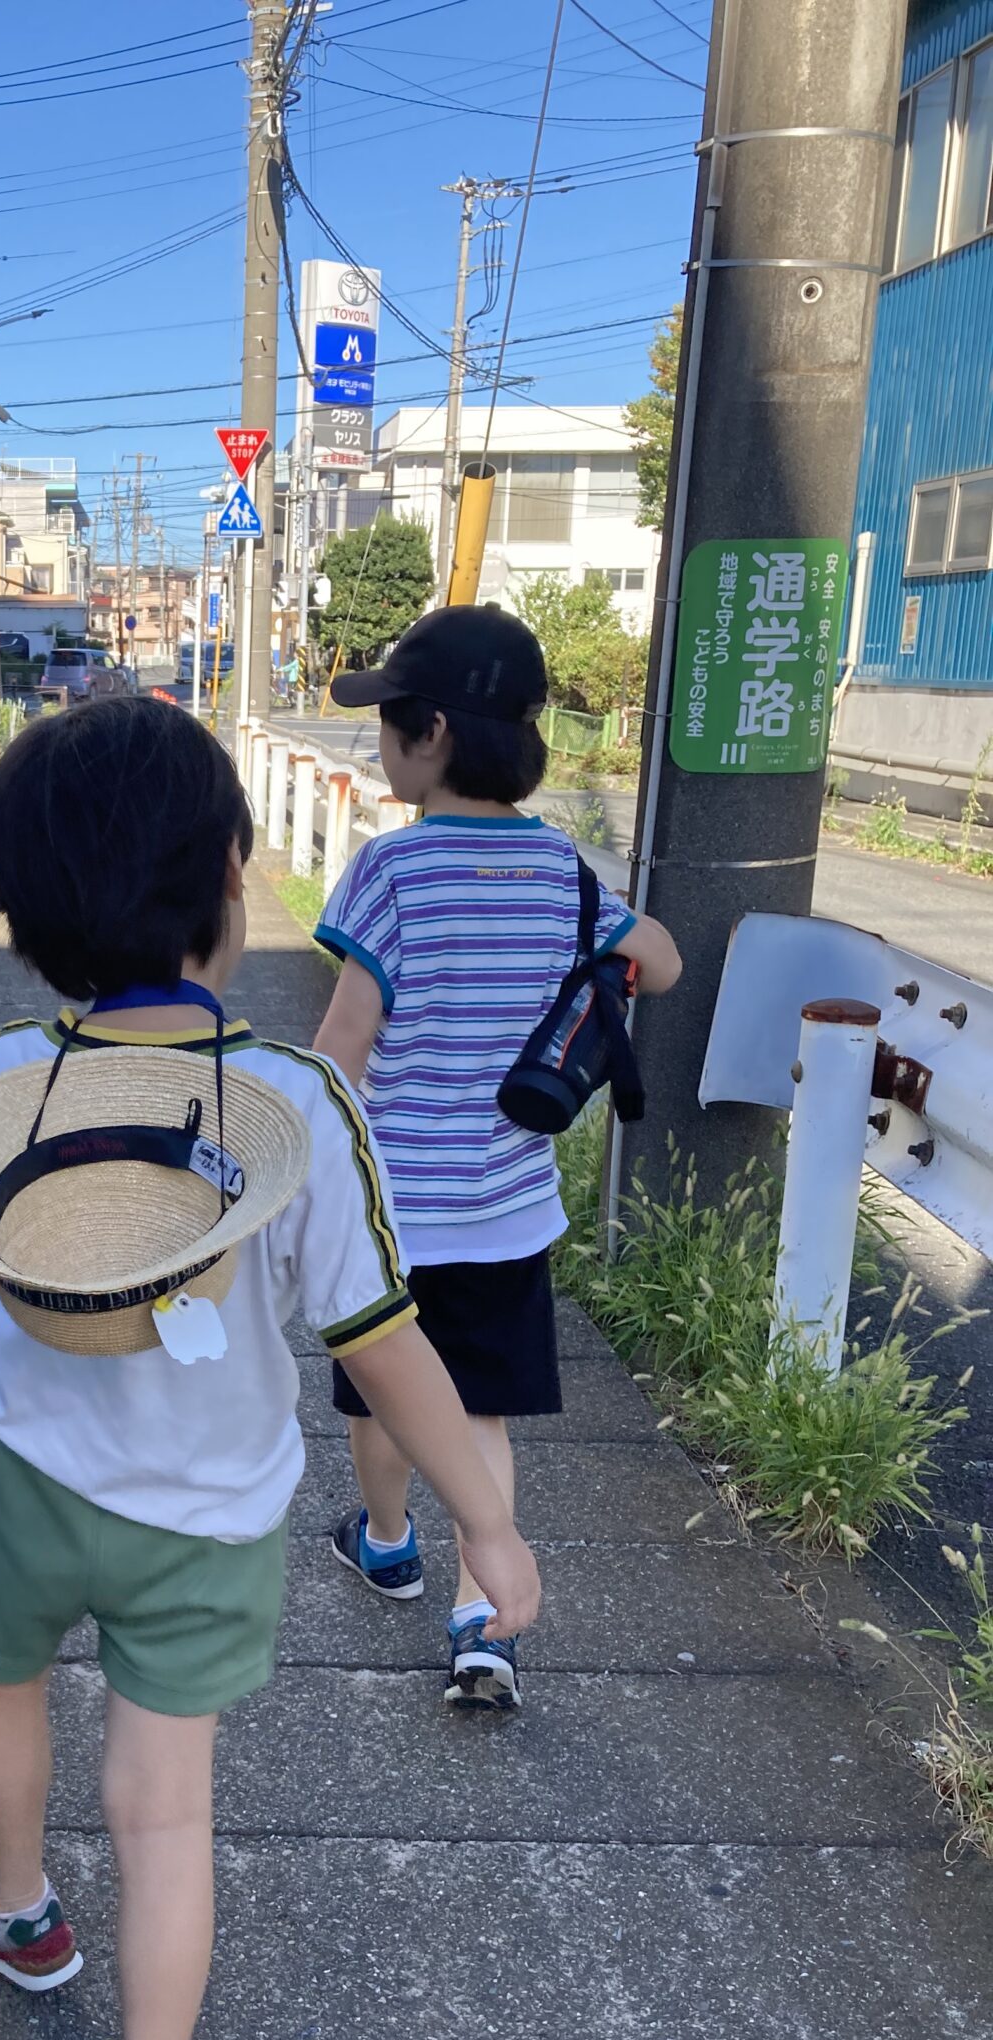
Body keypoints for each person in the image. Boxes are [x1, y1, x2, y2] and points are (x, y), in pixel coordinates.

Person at [0, 696, 541, 2040]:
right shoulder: (299, 1108)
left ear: (25, 917)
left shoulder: (8, 1072)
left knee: (0, 1684)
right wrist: (487, 1524)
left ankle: (17, 1911)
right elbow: (383, 1340)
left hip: (22, 1466)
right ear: (233, 881)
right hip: (206, 1519)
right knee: (162, 1813)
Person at [311, 605, 682, 1709]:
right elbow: (660, 961)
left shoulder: (391, 872)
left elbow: (339, 1050)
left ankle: (387, 1543)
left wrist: (306, 1170)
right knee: (480, 1416)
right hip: (508, 1210)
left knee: (381, 1399)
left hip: (393, 1216)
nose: (380, 740)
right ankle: (483, 1622)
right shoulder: (563, 872)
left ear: (430, 734)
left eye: (388, 720)